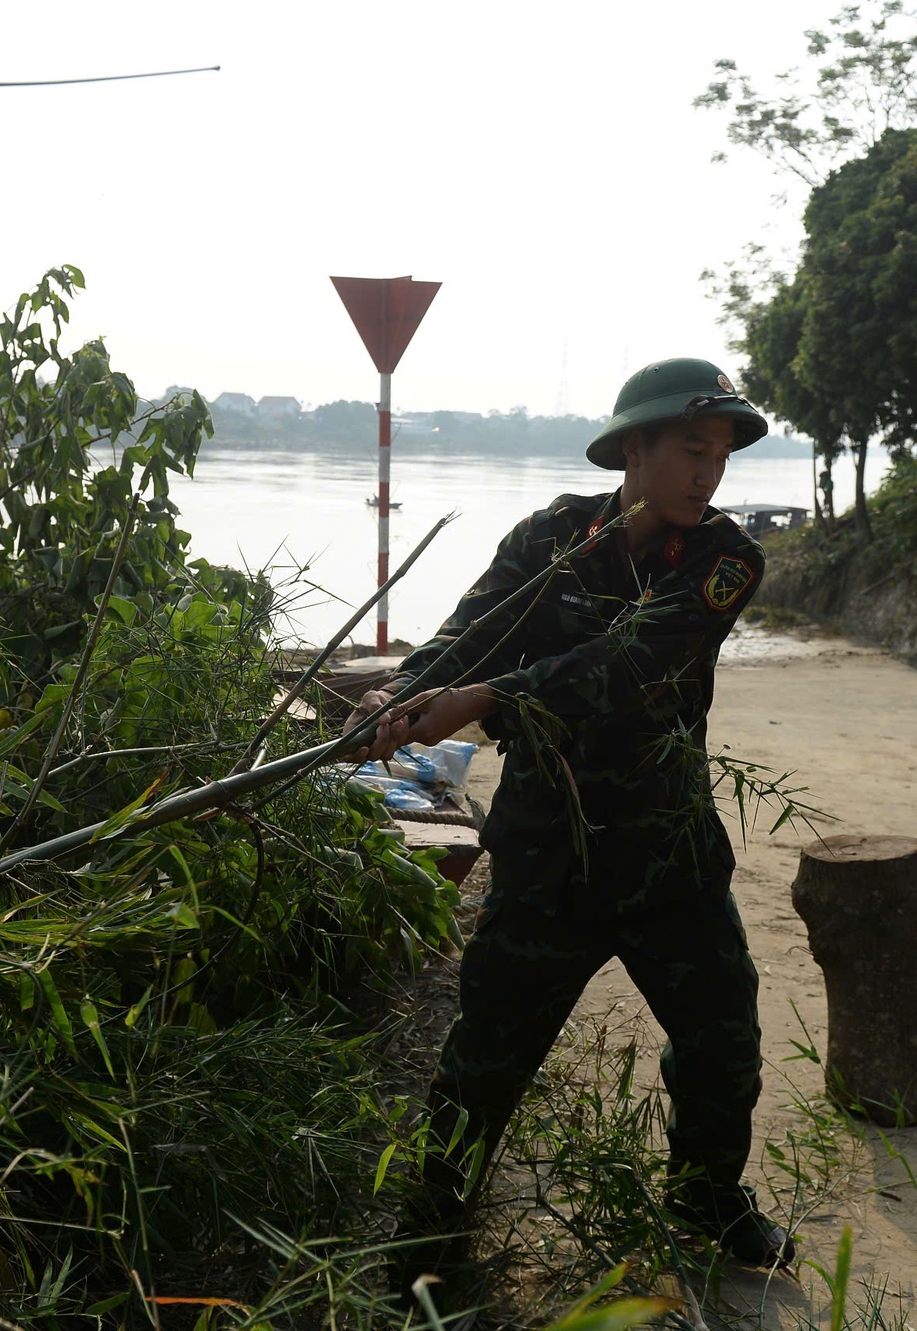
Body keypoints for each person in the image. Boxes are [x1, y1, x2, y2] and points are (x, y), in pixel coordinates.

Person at [347, 359, 793, 1277]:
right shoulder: (554, 534)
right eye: (690, 450)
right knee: (483, 1064)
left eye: (721, 456)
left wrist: (478, 697)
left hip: (667, 860)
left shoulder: (726, 562)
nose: (708, 474)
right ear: (636, 446)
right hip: (548, 857)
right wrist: (402, 692)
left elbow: (623, 668)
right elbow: (471, 631)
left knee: (724, 1042)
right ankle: (430, 1242)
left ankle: (708, 1202)